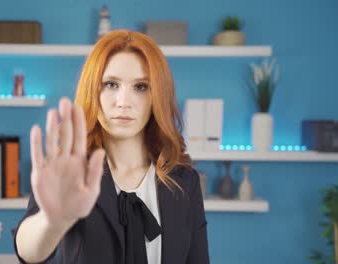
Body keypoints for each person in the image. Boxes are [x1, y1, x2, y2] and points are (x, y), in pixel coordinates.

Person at [14, 29, 209, 264]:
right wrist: (52, 221)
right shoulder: (70, 171)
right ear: (92, 90)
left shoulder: (185, 182)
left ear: (157, 96)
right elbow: (28, 252)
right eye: (110, 84)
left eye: (141, 87)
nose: (123, 102)